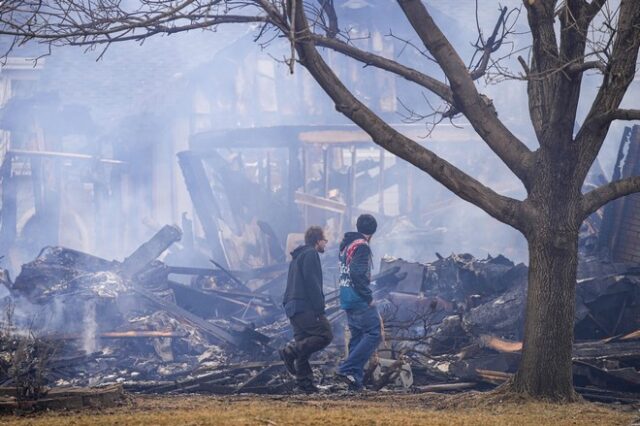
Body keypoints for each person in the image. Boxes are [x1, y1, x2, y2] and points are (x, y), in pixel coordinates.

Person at [279, 226, 333, 393]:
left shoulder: (297, 257)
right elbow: (312, 283)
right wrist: (319, 308)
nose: (326, 243)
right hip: (305, 306)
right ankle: (290, 351)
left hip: (292, 306)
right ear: (317, 240)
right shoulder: (311, 254)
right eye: (325, 240)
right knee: (325, 335)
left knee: (304, 343)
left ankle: (305, 384)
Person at [336, 214, 381, 391]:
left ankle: (355, 382)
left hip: (346, 296)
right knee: (373, 333)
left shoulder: (347, 245)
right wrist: (368, 297)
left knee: (357, 337)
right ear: (373, 232)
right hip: (358, 298)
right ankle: (347, 368)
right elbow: (356, 273)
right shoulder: (362, 247)